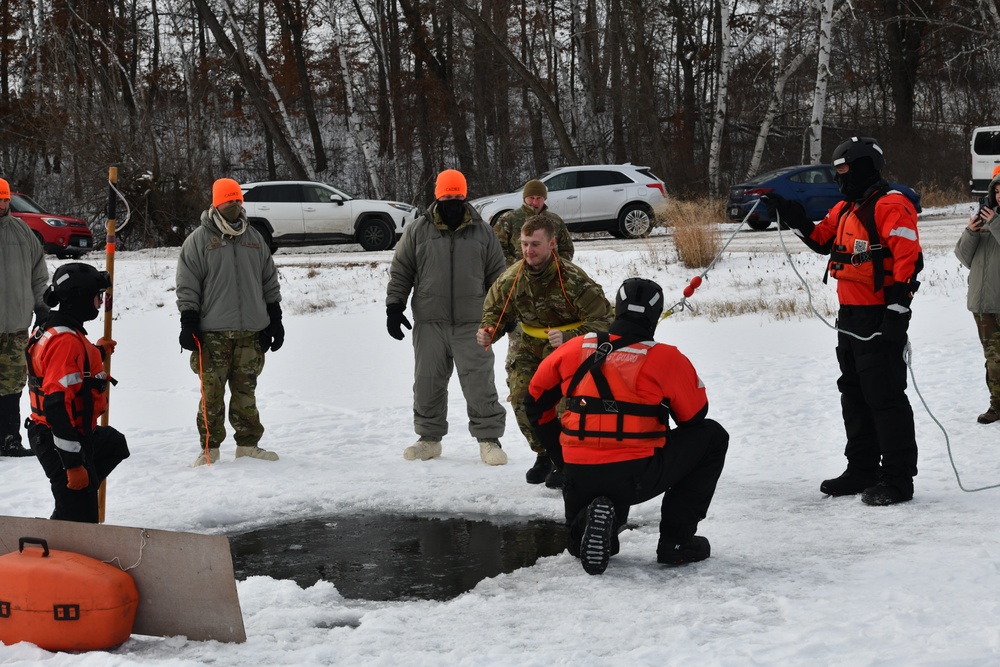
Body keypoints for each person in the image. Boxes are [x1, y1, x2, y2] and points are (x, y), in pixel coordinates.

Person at [524, 278, 729, 575]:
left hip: (579, 473)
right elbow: (693, 419)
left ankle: (588, 524)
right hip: (637, 475)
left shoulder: (574, 348)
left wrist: (561, 459)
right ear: (655, 317)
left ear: (616, 309)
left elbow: (534, 402)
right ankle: (676, 542)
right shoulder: (666, 358)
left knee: (576, 543)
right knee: (712, 437)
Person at [765, 136, 922, 506]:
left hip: (880, 314)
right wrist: (788, 211)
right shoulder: (847, 207)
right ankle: (862, 468)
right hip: (849, 316)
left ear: (865, 166)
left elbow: (908, 261)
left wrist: (897, 314)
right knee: (853, 394)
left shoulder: (891, 205)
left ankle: (897, 479)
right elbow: (822, 240)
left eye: (845, 169)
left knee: (884, 397)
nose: (840, 177)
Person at [479, 214, 612, 488]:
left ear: (552, 244)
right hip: (527, 342)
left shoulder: (573, 279)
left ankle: (565, 459)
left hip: (567, 346)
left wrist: (569, 336)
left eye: (535, 244)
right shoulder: (511, 278)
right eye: (525, 244)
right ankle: (545, 454)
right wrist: (489, 330)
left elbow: (605, 319)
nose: (529, 250)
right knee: (521, 398)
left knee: (563, 404)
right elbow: (495, 310)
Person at [386, 169, 508, 465]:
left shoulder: (483, 232)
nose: (452, 201)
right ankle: (428, 438)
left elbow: (498, 277)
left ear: (465, 196)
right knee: (427, 381)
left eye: (457, 196)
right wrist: (394, 306)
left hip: (473, 323)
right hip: (430, 322)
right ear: (437, 196)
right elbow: (402, 269)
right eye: (447, 196)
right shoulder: (418, 230)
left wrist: (505, 313)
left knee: (479, 382)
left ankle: (489, 440)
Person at [176, 177, 284, 466]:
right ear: (216, 203)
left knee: (245, 390)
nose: (235, 205)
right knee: (211, 393)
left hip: (251, 330)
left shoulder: (254, 238)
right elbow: (188, 285)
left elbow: (269, 280)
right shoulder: (199, 240)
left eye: (238, 200)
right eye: (228, 200)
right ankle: (209, 448)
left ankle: (248, 444)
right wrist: (188, 322)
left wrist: (275, 318)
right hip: (212, 333)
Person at [26, 263, 130, 523]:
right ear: (80, 298)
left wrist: (99, 352)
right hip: (59, 438)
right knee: (80, 523)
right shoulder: (66, 342)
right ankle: (69, 512)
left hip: (71, 431)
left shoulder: (54, 327)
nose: (99, 303)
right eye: (97, 296)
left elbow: (72, 367)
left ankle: (72, 502)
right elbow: (55, 405)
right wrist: (73, 465)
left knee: (114, 444)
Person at [0, 177, 49, 457]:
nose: (2, 204)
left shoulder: (22, 232)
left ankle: (9, 439)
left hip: (16, 326)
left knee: (11, 385)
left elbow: (38, 274)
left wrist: (41, 306)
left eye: (5, 199)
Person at [956, 170, 1000, 424]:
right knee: (994, 359)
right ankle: (996, 406)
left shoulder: (993, 221)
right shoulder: (984, 221)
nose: (999, 195)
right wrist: (971, 231)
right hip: (983, 303)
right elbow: (963, 258)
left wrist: (994, 223)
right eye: (996, 190)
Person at [492, 179, 574, 267]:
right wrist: (516, 266)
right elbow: (496, 249)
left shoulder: (555, 220)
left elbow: (567, 248)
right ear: (524, 198)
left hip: (550, 275)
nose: (535, 202)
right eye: (531, 198)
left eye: (539, 198)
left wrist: (557, 265)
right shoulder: (508, 219)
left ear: (544, 199)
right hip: (518, 275)